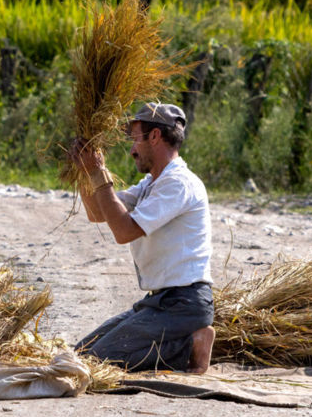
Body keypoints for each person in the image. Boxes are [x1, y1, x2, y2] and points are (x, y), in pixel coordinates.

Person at [69, 102, 215, 373]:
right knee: (80, 353)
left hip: (184, 304)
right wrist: (85, 171)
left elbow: (123, 231)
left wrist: (99, 172)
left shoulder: (178, 183)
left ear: (155, 137)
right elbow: (98, 213)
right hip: (160, 301)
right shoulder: (152, 183)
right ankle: (183, 341)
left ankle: (191, 344)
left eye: (136, 139)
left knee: (97, 362)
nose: (132, 149)